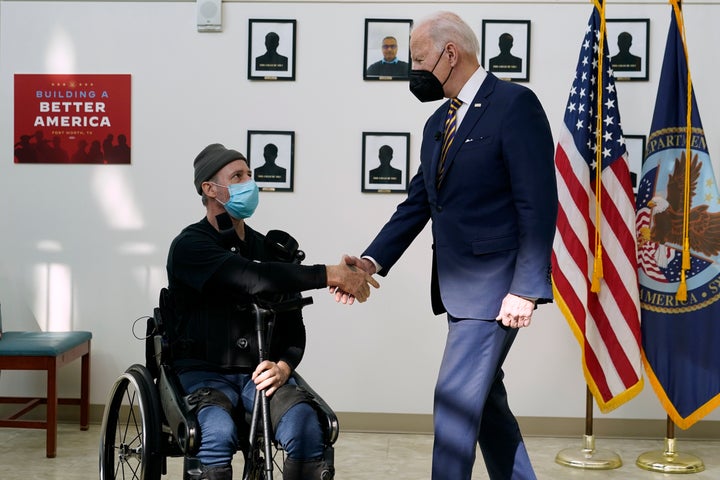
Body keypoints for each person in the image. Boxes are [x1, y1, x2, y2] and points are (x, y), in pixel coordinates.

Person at [338, 11, 557, 480]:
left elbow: (538, 204)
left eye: (418, 59)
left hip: (496, 289)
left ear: (450, 53)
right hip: (458, 287)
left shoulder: (515, 105)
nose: (412, 70)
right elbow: (420, 201)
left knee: (455, 403)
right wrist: (371, 262)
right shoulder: (439, 120)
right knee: (486, 405)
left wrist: (526, 287)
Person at [167, 143, 379, 480]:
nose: (248, 183)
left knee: (306, 425)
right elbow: (252, 278)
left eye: (249, 175)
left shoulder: (269, 249)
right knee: (216, 432)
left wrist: (283, 367)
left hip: (261, 375)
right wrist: (331, 274)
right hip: (203, 374)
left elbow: (294, 329)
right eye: (237, 176)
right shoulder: (190, 246)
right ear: (209, 189)